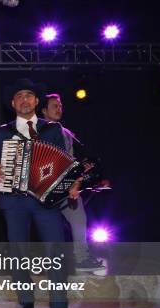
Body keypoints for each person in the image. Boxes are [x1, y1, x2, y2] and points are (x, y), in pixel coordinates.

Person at [0, 78, 83, 308]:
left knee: (55, 252)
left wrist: (74, 182)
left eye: (29, 96)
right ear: (13, 104)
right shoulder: (3, 132)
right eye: (19, 97)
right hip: (14, 201)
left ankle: (59, 306)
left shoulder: (52, 130)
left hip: (45, 201)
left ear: (37, 102)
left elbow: (66, 162)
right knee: (18, 253)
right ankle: (26, 302)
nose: (24, 100)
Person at [41, 93, 104, 271]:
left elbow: (73, 159)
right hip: (44, 189)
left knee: (78, 218)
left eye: (60, 105)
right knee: (49, 228)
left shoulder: (66, 132)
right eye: (54, 106)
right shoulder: (37, 130)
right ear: (44, 111)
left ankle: (81, 258)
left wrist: (81, 176)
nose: (59, 108)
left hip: (66, 186)